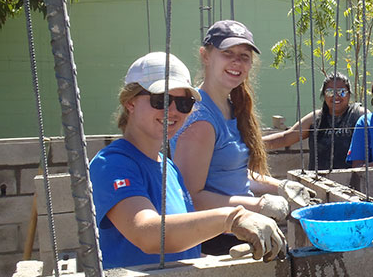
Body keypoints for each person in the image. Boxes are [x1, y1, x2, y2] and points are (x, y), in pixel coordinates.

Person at [90, 52, 285, 269]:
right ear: (130, 103)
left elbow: (182, 244)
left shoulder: (169, 167)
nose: (172, 110)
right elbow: (148, 234)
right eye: (161, 99)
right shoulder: (113, 164)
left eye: (184, 103)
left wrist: (216, 263)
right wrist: (232, 218)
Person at [171, 20, 314, 255]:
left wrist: (281, 186)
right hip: (214, 242)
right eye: (227, 53)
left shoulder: (230, 107)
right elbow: (191, 198)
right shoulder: (200, 121)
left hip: (241, 230)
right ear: (205, 56)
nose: (237, 62)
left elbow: (232, 173)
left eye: (244, 56)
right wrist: (259, 205)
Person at [263, 72, 367, 170]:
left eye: (342, 92)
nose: (336, 96)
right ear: (324, 95)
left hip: (353, 183)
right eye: (330, 92)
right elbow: (286, 138)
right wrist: (253, 144)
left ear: (349, 94)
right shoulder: (315, 119)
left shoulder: (359, 115)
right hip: (319, 184)